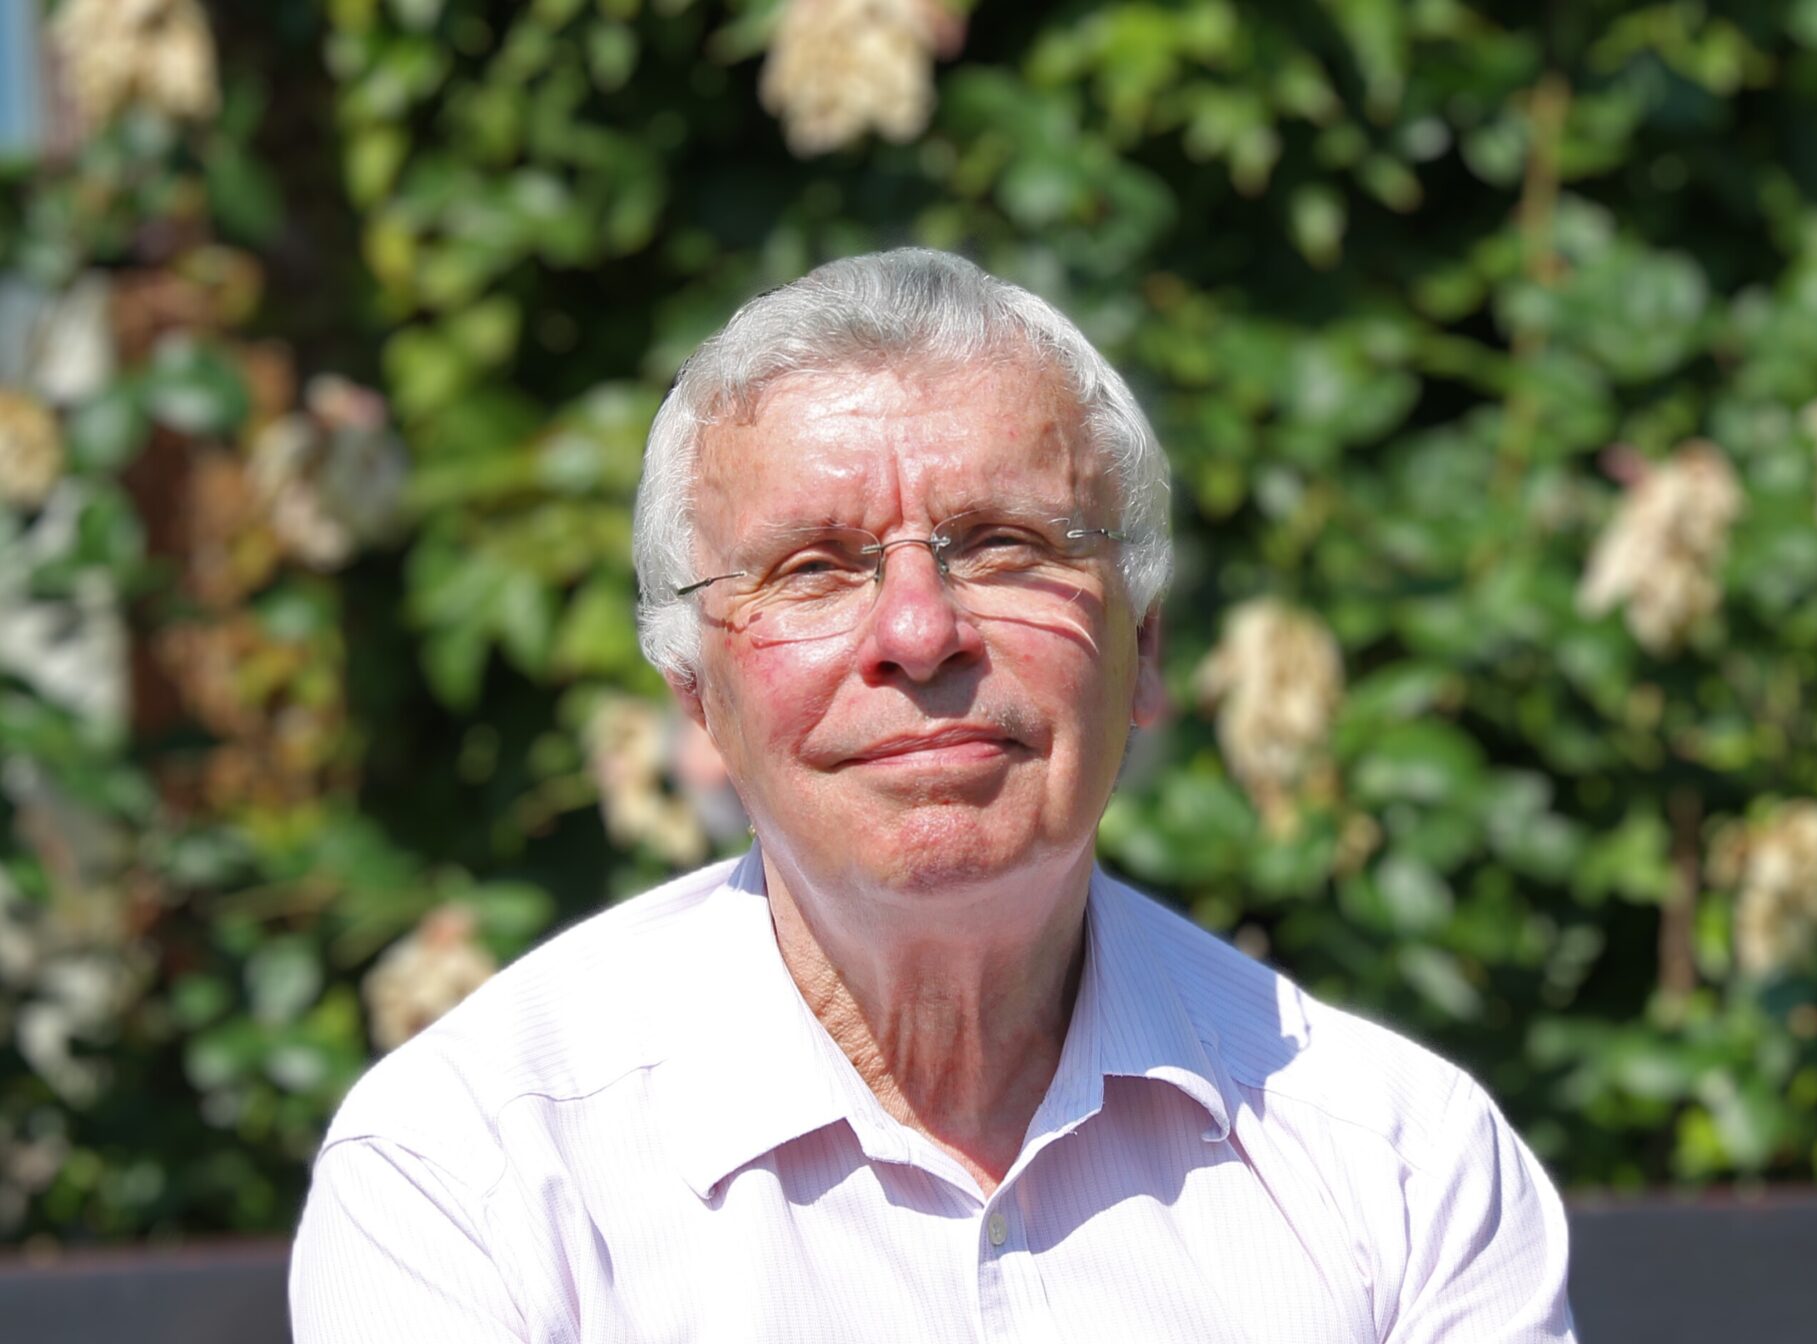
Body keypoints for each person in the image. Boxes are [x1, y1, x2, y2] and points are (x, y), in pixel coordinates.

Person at [290, 249, 1577, 1342]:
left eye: (1005, 545)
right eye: (813, 567)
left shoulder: (1402, 1163)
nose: (918, 629)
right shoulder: (475, 1170)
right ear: (696, 698)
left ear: (1149, 652)